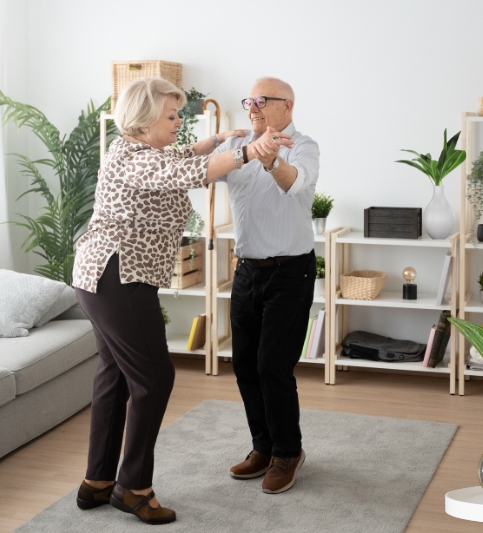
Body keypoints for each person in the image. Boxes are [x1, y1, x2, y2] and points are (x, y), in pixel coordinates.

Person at [72, 77, 284, 525]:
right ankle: (134, 487)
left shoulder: (132, 151)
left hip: (100, 274)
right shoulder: (136, 159)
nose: (177, 124)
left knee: (115, 375)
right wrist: (248, 151)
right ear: (145, 119)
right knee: (154, 378)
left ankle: (97, 481)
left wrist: (216, 141)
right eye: (171, 117)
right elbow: (181, 172)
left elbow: (177, 158)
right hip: (120, 277)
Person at [215, 77, 320, 494]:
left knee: (272, 366)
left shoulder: (304, 146)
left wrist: (270, 159)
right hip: (247, 272)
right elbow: (202, 174)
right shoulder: (236, 145)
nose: (252, 107)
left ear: (287, 106)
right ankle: (263, 447)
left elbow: (295, 185)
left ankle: (288, 452)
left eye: (262, 100)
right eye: (249, 100)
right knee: (244, 365)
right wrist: (238, 148)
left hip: (290, 272)